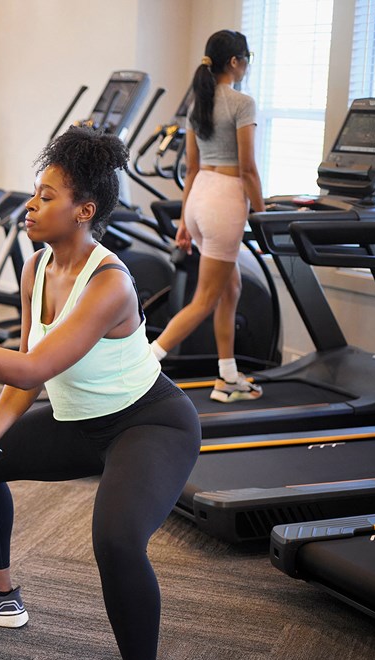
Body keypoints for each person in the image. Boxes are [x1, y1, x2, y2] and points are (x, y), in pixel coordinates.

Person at [0, 127, 201, 660]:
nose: (31, 206)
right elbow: (27, 374)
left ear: (85, 210)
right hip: (78, 421)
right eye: (34, 193)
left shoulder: (110, 285)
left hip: (149, 424)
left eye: (47, 196)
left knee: (116, 540)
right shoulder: (35, 268)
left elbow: (32, 368)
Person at [149, 30, 267, 403]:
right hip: (224, 202)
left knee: (230, 289)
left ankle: (227, 377)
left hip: (201, 200)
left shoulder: (198, 102)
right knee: (203, 300)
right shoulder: (241, 103)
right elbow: (247, 168)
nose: (247, 65)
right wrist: (263, 216)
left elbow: (192, 168)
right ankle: (139, 366)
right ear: (234, 62)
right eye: (246, 58)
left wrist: (186, 220)